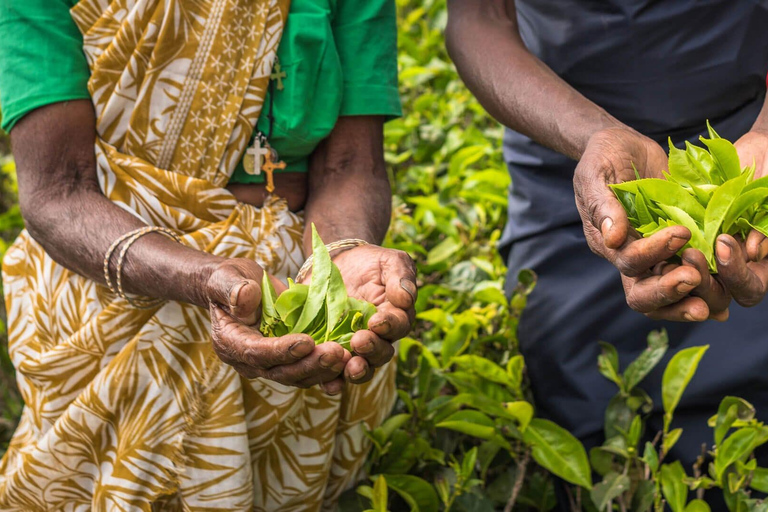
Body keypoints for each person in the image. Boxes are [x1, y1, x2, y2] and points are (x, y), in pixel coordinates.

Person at [0, 0, 416, 510]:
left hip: (296, 290)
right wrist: (205, 277)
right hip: (114, 286)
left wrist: (346, 254)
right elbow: (59, 192)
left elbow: (351, 166)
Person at [446, 0, 768, 508]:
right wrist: (594, 135)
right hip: (567, 152)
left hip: (745, 144)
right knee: (584, 389)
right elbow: (478, 20)